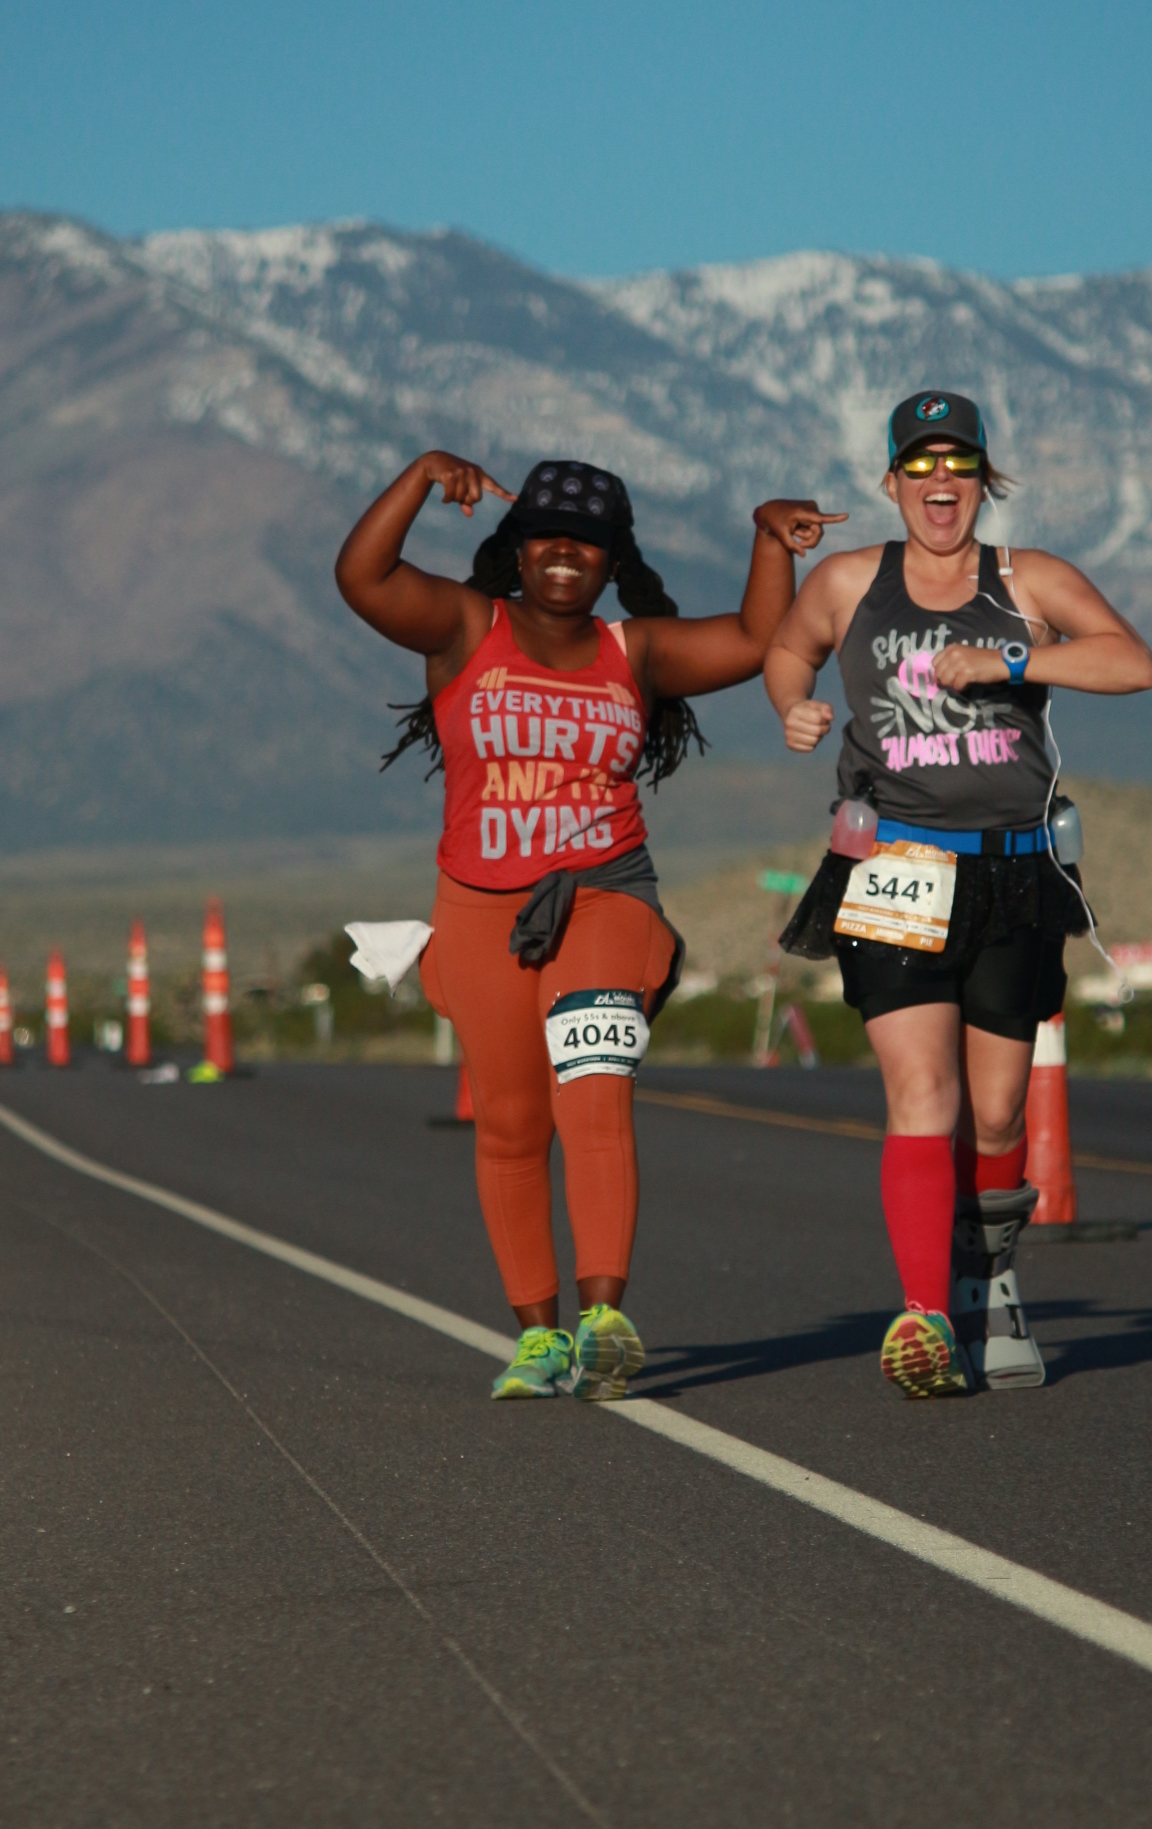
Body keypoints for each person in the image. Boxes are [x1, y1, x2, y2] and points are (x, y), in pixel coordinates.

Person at [337, 453, 842, 1400]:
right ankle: (538, 1338)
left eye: (590, 542)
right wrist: (418, 476)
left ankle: (605, 1317)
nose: (567, 554)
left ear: (615, 560)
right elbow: (362, 578)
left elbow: (753, 639)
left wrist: (770, 539)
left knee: (593, 1090)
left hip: (605, 894)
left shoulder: (633, 651)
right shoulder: (464, 626)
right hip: (479, 907)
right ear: (518, 547)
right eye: (548, 537)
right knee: (511, 1125)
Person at [763, 390, 1152, 1398]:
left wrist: (1013, 656)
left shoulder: (1030, 580)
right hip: (895, 863)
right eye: (921, 467)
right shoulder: (849, 581)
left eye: (960, 466)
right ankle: (925, 1315)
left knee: (995, 1114)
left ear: (985, 480)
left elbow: (1132, 664)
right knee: (920, 1094)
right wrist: (793, 705)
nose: (941, 484)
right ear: (893, 483)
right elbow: (789, 648)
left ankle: (989, 1280)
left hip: (1015, 871)